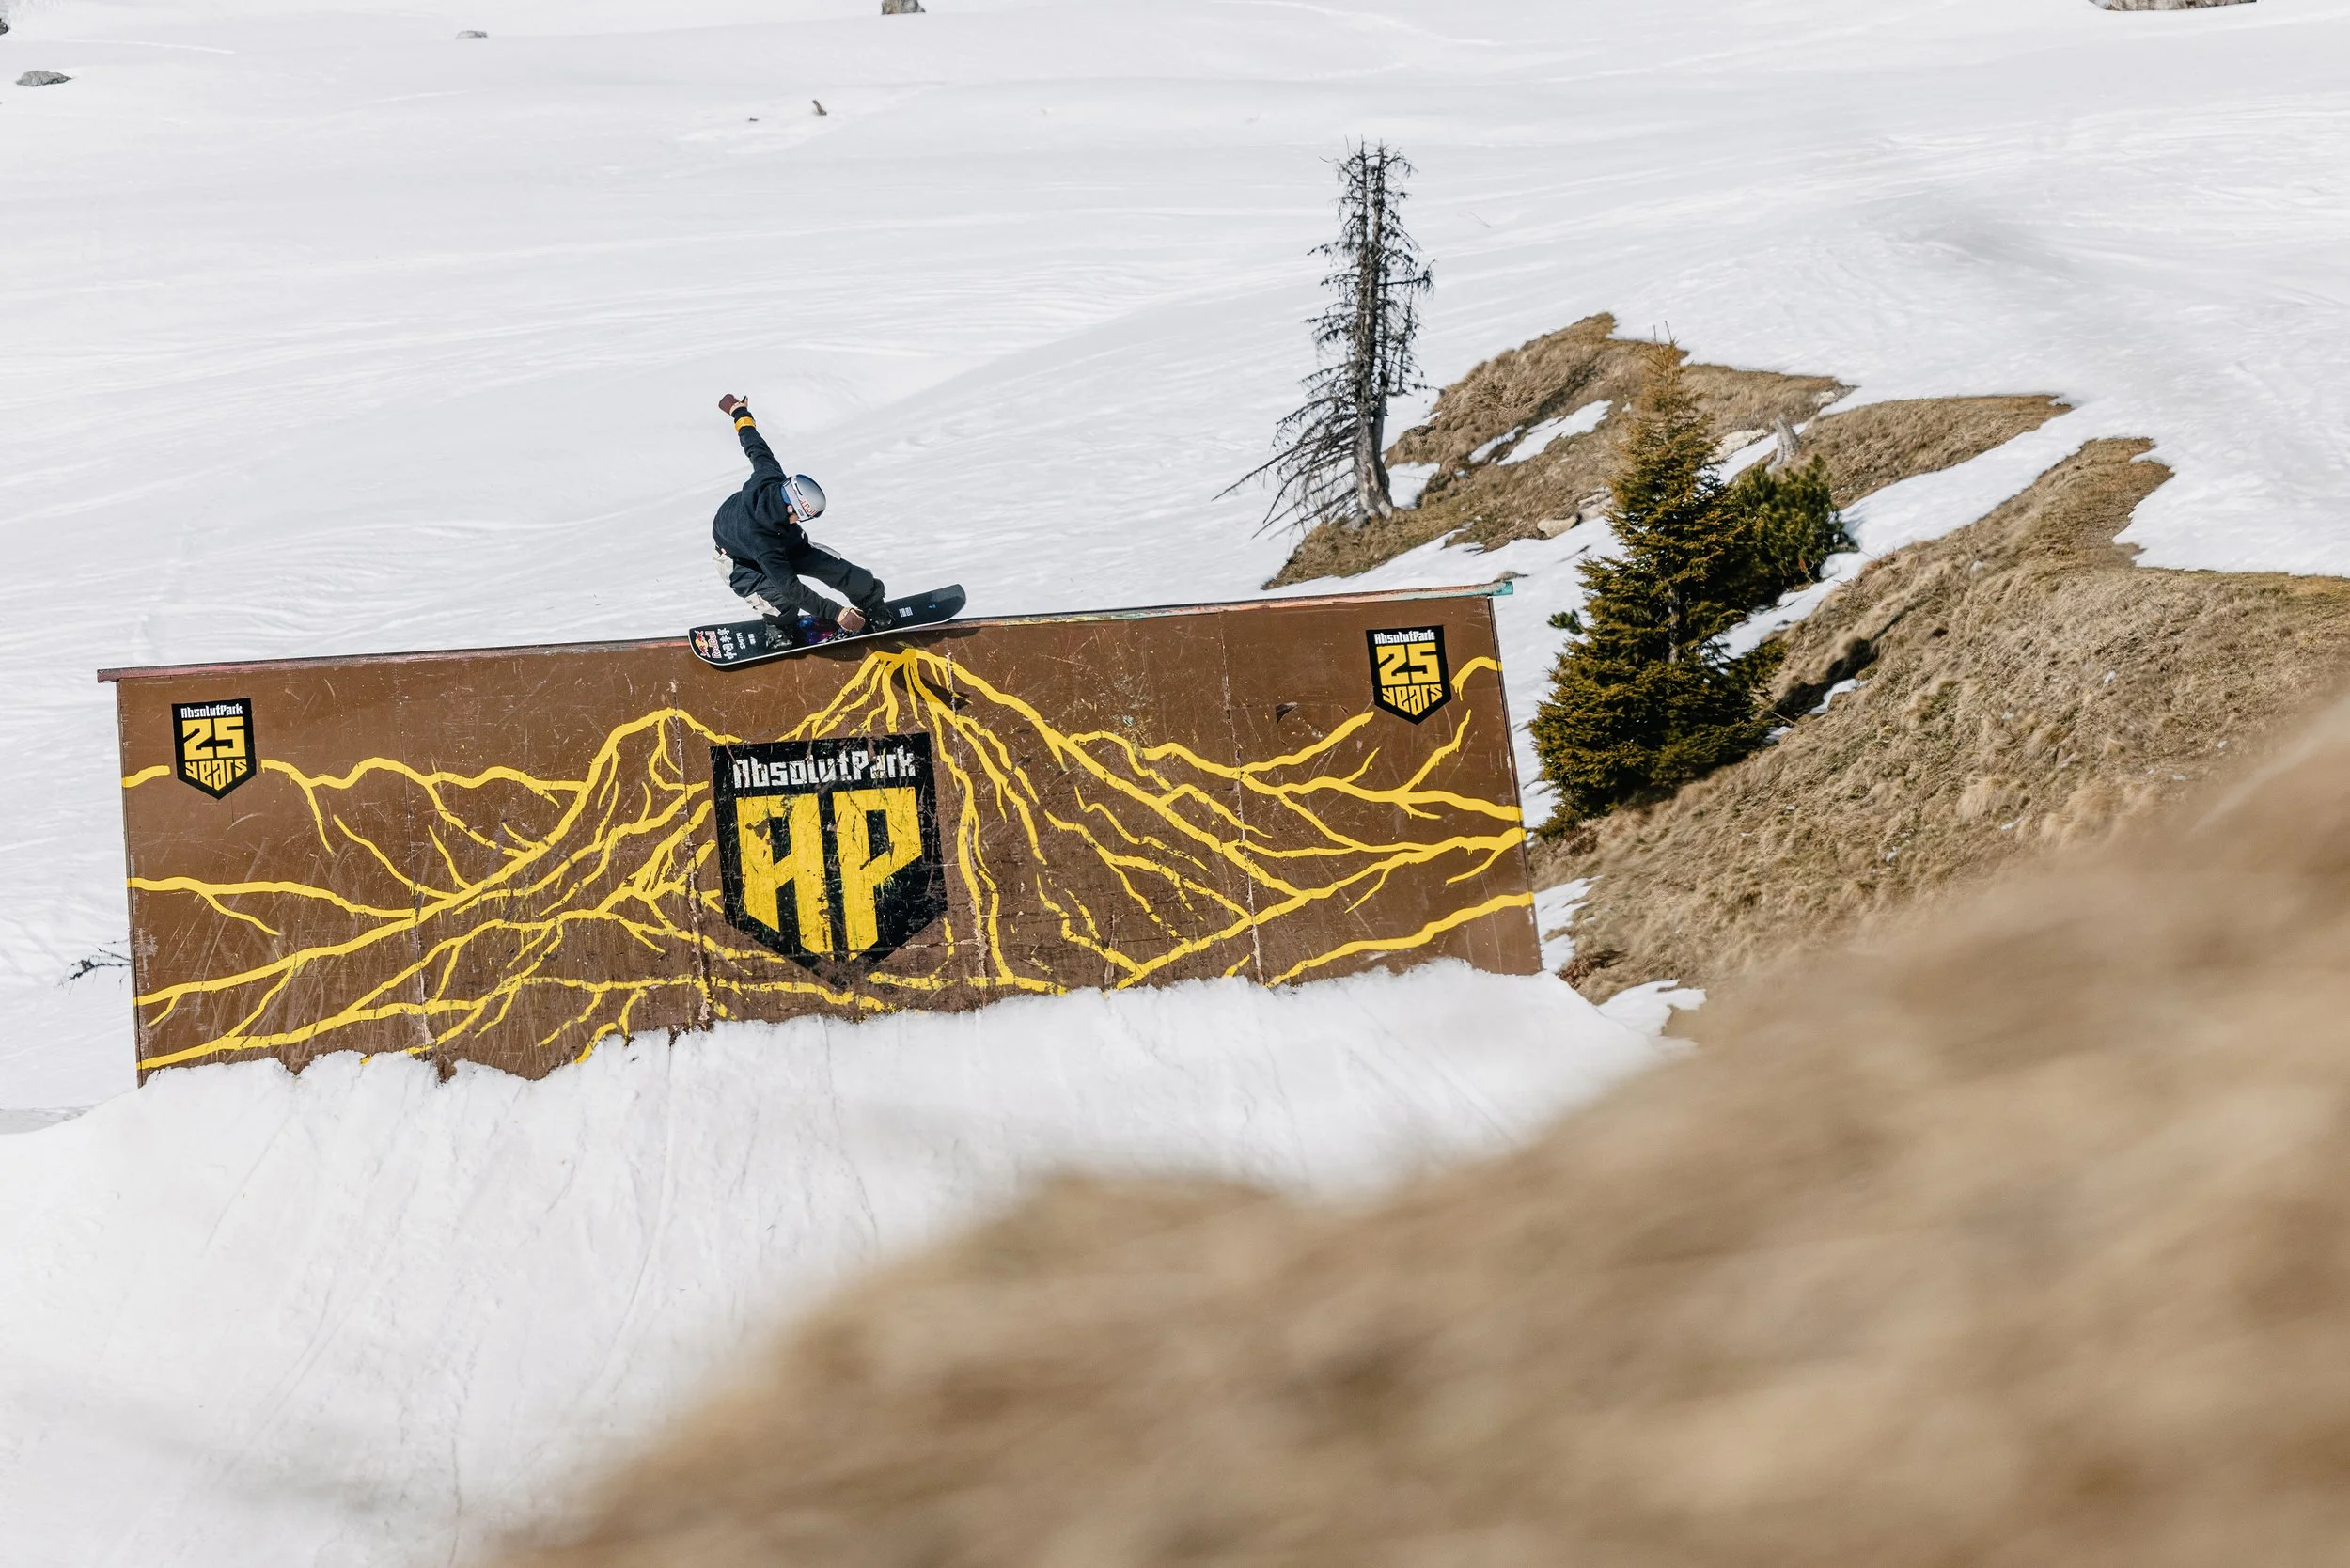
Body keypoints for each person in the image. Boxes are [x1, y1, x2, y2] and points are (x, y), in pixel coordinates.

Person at [711, 393, 888, 641]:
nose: (801, 522)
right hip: (739, 561)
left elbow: (754, 446)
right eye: (803, 517)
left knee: (841, 571)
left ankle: (872, 603)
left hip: (784, 540)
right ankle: (779, 627)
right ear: (790, 509)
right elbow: (792, 589)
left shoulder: (771, 475)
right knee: (782, 601)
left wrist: (739, 412)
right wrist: (837, 613)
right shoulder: (760, 541)